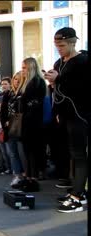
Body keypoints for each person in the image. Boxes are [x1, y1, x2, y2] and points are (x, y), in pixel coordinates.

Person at [44, 27, 89, 212]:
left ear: (72, 42)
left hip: (81, 115)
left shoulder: (83, 61)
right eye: (57, 45)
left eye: (62, 45)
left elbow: (82, 88)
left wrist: (59, 79)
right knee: (72, 154)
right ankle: (77, 191)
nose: (59, 49)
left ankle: (77, 197)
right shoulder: (58, 62)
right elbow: (58, 92)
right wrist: (54, 82)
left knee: (79, 155)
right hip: (65, 116)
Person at [15, 57, 46, 191]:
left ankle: (33, 179)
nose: (22, 71)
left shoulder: (37, 82)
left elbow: (34, 103)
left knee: (32, 151)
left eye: (24, 68)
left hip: (33, 122)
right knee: (27, 151)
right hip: (26, 121)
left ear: (30, 68)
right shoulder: (26, 82)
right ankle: (28, 177)